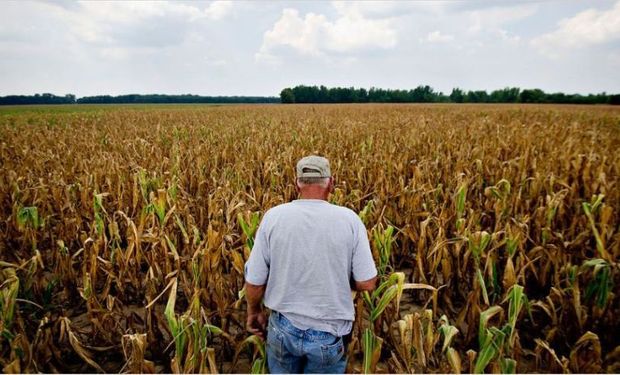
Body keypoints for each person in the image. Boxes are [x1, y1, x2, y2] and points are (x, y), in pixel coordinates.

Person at [244, 155, 378, 374]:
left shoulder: (274, 217)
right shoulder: (349, 220)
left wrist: (253, 311)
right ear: (331, 183)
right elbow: (367, 283)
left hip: (282, 329)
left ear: (297, 183)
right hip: (329, 332)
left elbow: (255, 280)